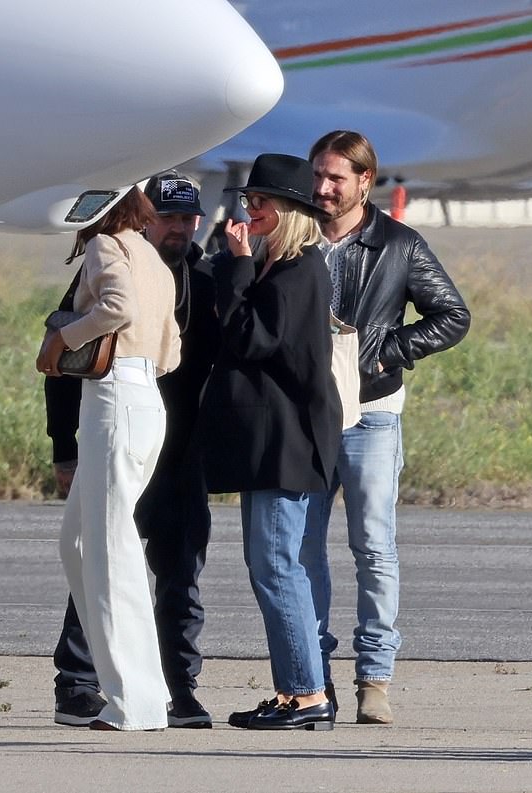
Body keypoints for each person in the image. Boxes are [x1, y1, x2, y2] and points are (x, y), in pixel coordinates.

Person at [301, 130, 471, 724]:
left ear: (365, 181)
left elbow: (453, 315)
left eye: (335, 178)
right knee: (302, 551)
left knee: (373, 546)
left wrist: (391, 349)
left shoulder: (399, 244)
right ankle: (311, 675)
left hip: (373, 413)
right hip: (304, 415)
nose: (322, 188)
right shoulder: (294, 236)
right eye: (317, 175)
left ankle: (375, 677)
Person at [46, 172, 219, 729]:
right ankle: (122, 683)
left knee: (108, 549)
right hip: (146, 396)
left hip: (114, 398)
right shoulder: (152, 257)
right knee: (79, 542)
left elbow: (116, 308)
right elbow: (170, 349)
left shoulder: (107, 245)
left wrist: (64, 339)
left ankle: (134, 701)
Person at [199, 154, 343, 731]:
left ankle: (306, 693)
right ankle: (296, 690)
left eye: (260, 204)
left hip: (289, 440)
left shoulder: (298, 270)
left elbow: (249, 339)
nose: (250, 212)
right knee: (271, 564)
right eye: (247, 203)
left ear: (287, 212)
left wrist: (234, 266)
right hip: (275, 439)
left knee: (277, 566)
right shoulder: (278, 267)